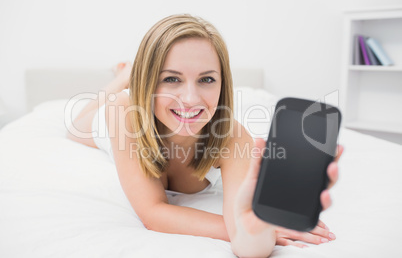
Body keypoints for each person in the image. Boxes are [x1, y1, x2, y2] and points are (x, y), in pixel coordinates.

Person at [67, 14, 343, 257]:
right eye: (171, 78)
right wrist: (235, 229)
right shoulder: (123, 111)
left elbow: (248, 244)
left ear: (223, 84)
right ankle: (124, 77)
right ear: (147, 81)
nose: (190, 98)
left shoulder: (233, 137)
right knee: (75, 127)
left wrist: (257, 227)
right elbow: (153, 213)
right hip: (121, 119)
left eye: (207, 79)